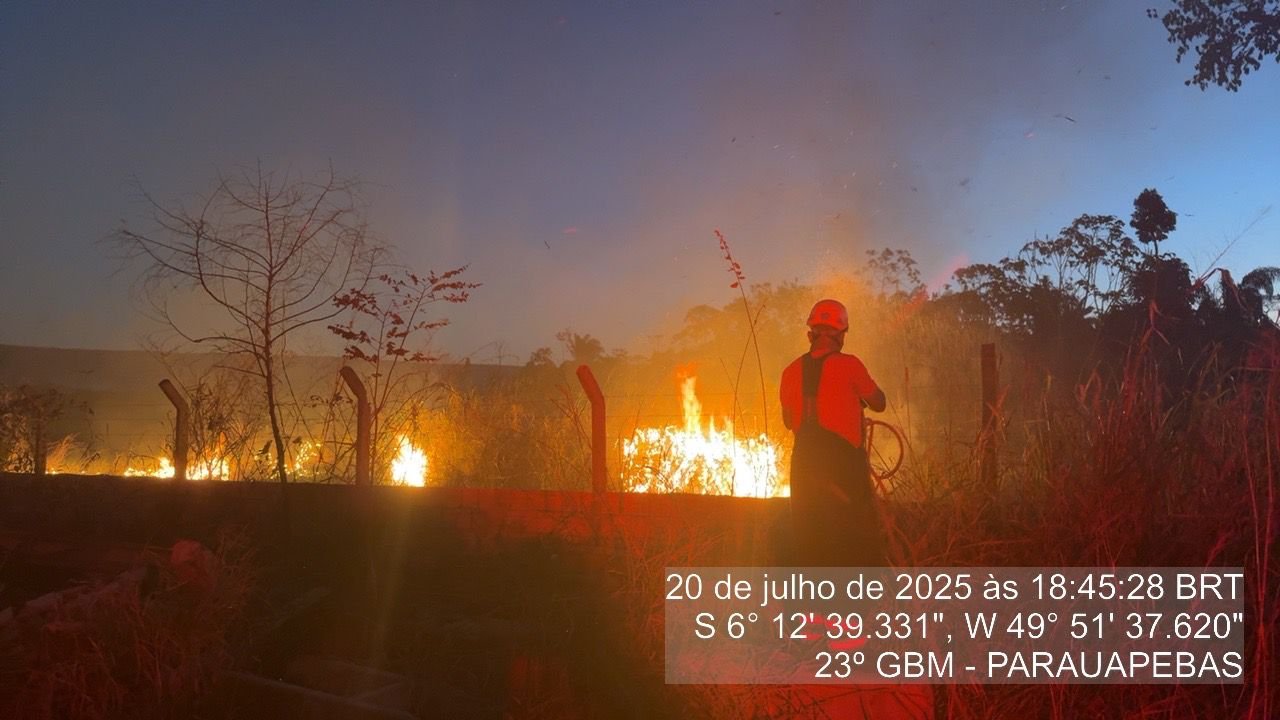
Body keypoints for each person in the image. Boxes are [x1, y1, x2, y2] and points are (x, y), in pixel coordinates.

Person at [779, 299, 888, 567]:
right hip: (844, 470)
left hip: (803, 467)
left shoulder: (790, 372)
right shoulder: (850, 365)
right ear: (841, 335)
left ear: (810, 334)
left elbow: (788, 420)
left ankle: (811, 605)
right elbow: (879, 402)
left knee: (809, 546)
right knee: (852, 546)